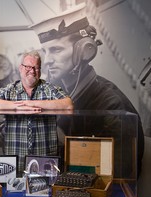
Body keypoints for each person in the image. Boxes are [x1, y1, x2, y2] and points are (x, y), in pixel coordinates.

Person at [30, 4, 144, 178]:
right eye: (45, 52)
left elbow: (120, 174)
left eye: (56, 50)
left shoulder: (111, 104)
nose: (47, 61)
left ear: (84, 50)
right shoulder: (57, 94)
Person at [0, 50, 73, 172]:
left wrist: (32, 104)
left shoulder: (49, 89)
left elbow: (68, 106)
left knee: (45, 190)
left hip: (44, 159)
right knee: (14, 190)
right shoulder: (10, 90)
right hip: (15, 160)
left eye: (36, 67)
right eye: (28, 67)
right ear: (20, 68)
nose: (32, 71)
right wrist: (16, 107)